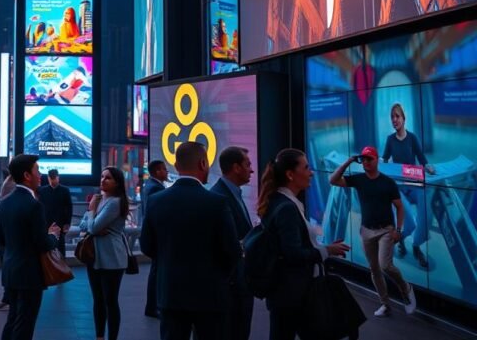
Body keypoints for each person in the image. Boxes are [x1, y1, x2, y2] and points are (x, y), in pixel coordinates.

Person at [138, 142, 241, 340]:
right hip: (210, 294)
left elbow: (147, 246)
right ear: (203, 164)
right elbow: (232, 251)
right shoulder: (216, 202)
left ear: (176, 165)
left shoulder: (156, 201)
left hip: (170, 292)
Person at [260, 149, 349, 339]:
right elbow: (292, 253)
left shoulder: (281, 201)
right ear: (290, 175)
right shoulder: (286, 208)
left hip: (288, 292)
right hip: (290, 293)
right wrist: (327, 251)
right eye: (306, 167)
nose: (311, 173)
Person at [330, 145, 417, 317]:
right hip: (367, 231)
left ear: (377, 160)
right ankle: (385, 304)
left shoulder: (387, 182)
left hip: (386, 230)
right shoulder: (359, 179)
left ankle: (405, 288)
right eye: (364, 159)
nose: (366, 162)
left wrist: (398, 230)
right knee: (374, 269)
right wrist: (348, 162)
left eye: (370, 158)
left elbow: (399, 207)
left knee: (386, 266)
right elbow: (333, 180)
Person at [0, 154, 61, 340]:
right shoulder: (34, 205)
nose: (40, 174)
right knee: (25, 324)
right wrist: (53, 236)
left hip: (10, 270)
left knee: (13, 319)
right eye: (37, 170)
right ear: (27, 175)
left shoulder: (5, 203)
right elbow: (42, 244)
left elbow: (0, 238)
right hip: (29, 274)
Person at [78, 167, 130, 340]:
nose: (103, 180)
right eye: (102, 177)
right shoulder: (98, 200)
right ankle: (99, 336)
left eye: (108, 178)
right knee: (98, 300)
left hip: (112, 257)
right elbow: (83, 225)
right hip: (95, 257)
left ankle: (112, 337)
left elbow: (91, 226)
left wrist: (92, 213)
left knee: (110, 301)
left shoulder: (115, 202)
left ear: (117, 183)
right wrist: (93, 221)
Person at [210, 147, 255, 340]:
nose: (251, 170)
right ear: (236, 168)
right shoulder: (219, 198)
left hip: (239, 282)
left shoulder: (232, 193)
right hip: (230, 285)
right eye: (248, 164)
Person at [381, 103, 433, 267]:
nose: (394, 120)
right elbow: (384, 160)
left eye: (397, 116)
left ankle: (416, 246)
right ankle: (401, 239)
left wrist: (428, 166)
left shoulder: (412, 138)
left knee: (426, 210)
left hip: (415, 185)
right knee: (409, 222)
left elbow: (422, 159)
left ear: (404, 118)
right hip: (399, 188)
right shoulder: (390, 140)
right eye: (392, 117)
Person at [142, 159, 168, 319]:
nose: (166, 172)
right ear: (157, 171)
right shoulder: (156, 188)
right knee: (156, 272)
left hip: (153, 234)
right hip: (158, 235)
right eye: (164, 169)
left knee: (155, 271)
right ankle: (152, 306)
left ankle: (153, 306)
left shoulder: (149, 186)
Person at [0, 169, 16, 311]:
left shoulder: (14, 186)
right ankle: (8, 297)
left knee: (9, 270)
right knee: (7, 270)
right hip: (4, 240)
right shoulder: (10, 184)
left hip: (9, 241)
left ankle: (10, 298)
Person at [38, 168, 73, 255]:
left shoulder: (65, 190)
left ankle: (61, 265)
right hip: (46, 222)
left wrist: (67, 223)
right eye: (51, 179)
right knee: (46, 248)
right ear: (48, 178)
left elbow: (69, 207)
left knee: (60, 247)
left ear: (58, 178)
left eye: (54, 178)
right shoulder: (42, 191)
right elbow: (39, 207)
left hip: (60, 222)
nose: (52, 181)